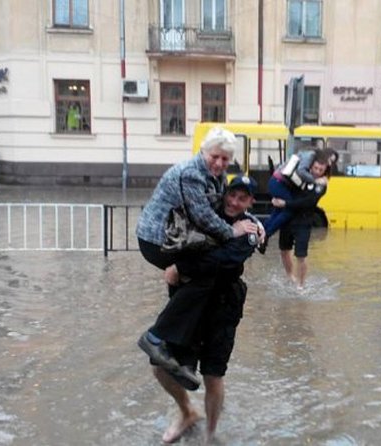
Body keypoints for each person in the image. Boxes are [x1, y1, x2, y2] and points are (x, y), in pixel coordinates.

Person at [135, 127, 261, 389]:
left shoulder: (217, 176)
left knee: (194, 279)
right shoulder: (191, 174)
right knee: (200, 276)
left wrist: (256, 225)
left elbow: (227, 210)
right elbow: (203, 216)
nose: (219, 163)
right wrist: (234, 231)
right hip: (158, 239)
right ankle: (157, 338)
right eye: (215, 156)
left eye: (225, 159)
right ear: (203, 152)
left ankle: (182, 357)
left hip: (181, 238)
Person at [147, 175, 260, 444]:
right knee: (159, 364)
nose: (234, 202)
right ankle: (187, 411)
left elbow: (224, 259)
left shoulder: (251, 229)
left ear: (251, 202)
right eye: (231, 194)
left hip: (223, 305)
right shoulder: (204, 214)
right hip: (189, 302)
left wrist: (182, 268)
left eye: (242, 198)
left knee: (213, 373)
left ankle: (210, 433)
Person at [261, 148, 337, 249]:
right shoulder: (310, 156)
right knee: (288, 211)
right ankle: (266, 235)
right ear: (323, 156)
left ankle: (262, 233)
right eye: (329, 160)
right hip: (279, 182)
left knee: (279, 211)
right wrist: (315, 180)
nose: (329, 163)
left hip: (277, 181)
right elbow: (301, 171)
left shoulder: (310, 157)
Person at [273, 179, 327, 289]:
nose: (317, 171)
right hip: (288, 218)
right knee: (284, 250)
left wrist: (285, 203)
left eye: (320, 169)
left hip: (303, 221)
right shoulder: (297, 175)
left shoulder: (320, 185)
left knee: (301, 255)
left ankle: (301, 285)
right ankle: (290, 277)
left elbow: (309, 201)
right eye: (315, 168)